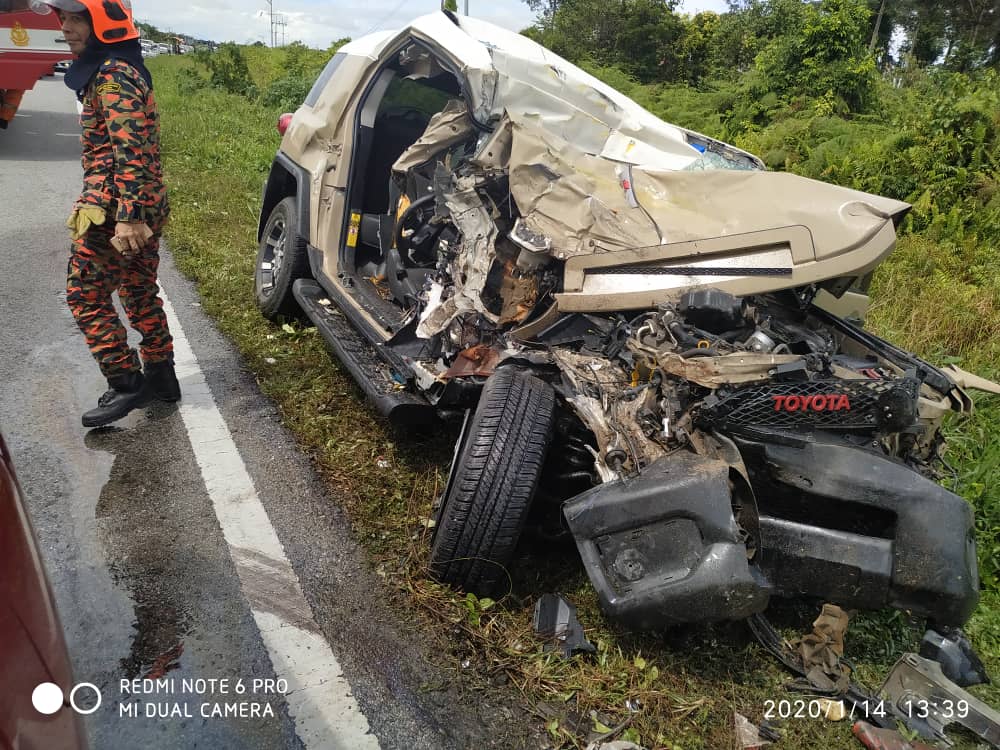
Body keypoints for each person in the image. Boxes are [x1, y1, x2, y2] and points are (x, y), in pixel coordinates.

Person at [35, 0, 179, 427]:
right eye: (63, 18)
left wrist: (130, 215)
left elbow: (130, 148)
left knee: (85, 296)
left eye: (76, 18)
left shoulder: (114, 75)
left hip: (116, 209)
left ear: (104, 23)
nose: (66, 27)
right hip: (134, 204)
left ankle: (126, 382)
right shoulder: (108, 69)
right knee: (137, 289)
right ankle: (162, 376)